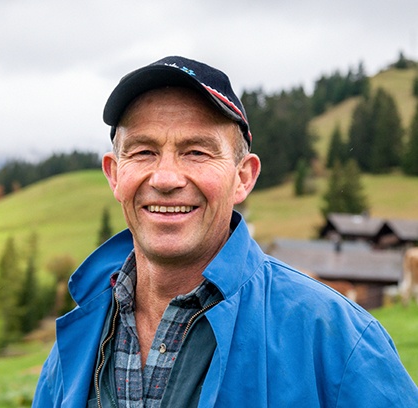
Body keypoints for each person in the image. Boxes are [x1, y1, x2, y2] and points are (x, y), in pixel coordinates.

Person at [33, 56, 418, 407]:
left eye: (197, 152)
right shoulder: (75, 346)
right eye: (143, 151)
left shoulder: (338, 339)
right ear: (115, 175)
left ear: (243, 178)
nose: (166, 178)